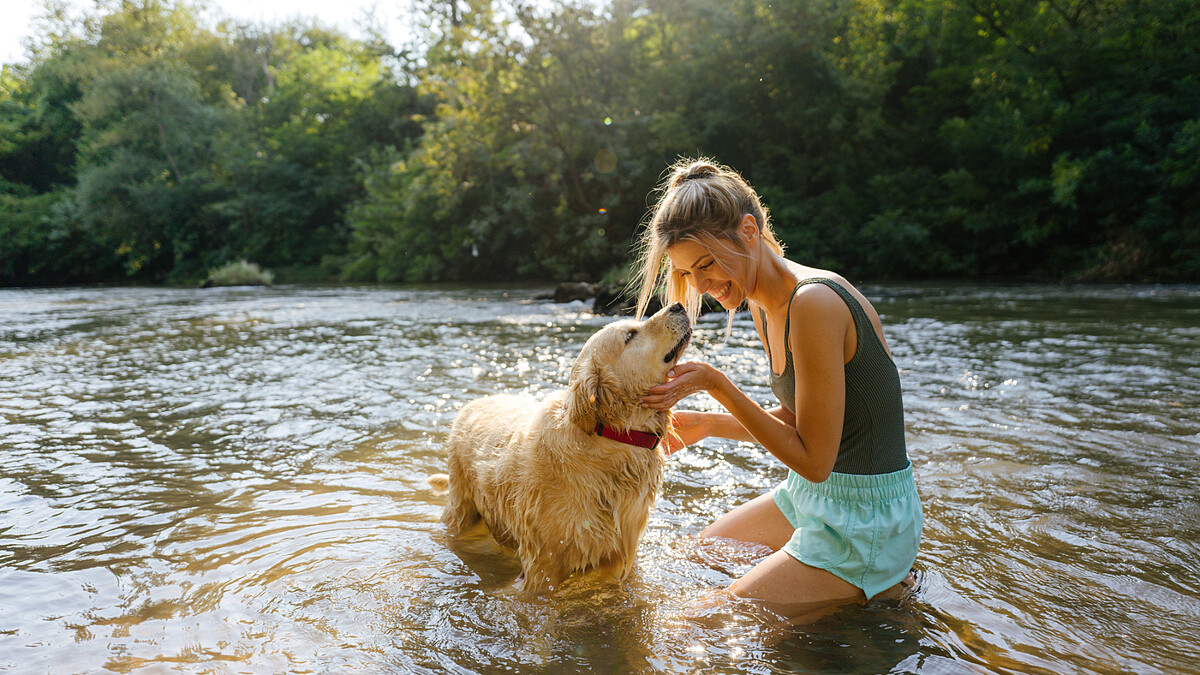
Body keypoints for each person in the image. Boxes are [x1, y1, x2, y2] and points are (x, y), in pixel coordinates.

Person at [633, 158, 921, 620]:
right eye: (688, 274)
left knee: (702, 624)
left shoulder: (813, 303)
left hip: (866, 519)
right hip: (816, 499)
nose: (702, 286)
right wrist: (707, 425)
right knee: (698, 554)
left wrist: (717, 385)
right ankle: (863, 588)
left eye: (706, 265)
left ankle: (878, 583)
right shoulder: (769, 304)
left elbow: (815, 460)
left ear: (749, 229)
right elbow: (798, 419)